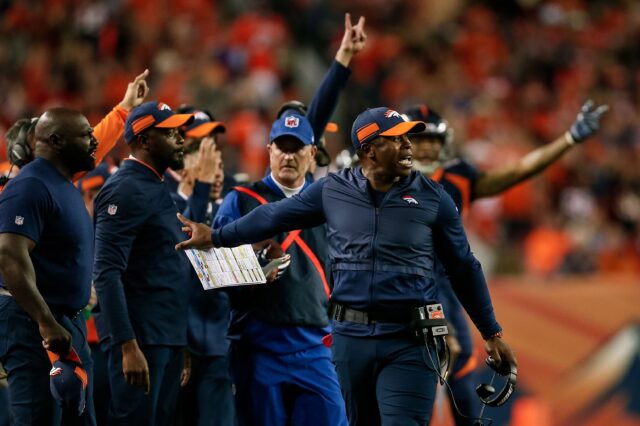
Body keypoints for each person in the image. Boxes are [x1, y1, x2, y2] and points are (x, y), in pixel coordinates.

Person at [175, 106, 517, 426]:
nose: (407, 145)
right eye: (396, 139)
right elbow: (272, 215)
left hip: (410, 339)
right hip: (349, 339)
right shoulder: (334, 191)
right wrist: (216, 236)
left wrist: (491, 332)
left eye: (407, 137)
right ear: (369, 150)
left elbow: (464, 266)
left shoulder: (433, 197)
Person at [403, 101, 608, 425]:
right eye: (419, 139)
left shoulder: (458, 177)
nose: (426, 147)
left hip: (444, 286)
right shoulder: (379, 177)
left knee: (462, 387)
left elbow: (518, 171)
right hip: (395, 285)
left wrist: (568, 139)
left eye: (432, 139)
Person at [92, 101, 194, 426]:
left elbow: (165, 268)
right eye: (170, 132)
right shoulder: (124, 189)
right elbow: (106, 273)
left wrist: (181, 340)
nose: (180, 137)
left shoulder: (157, 185)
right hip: (141, 343)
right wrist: (127, 345)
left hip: (165, 337)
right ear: (146, 140)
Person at [0, 108, 99, 425]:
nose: (94, 141)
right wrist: (45, 321)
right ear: (56, 141)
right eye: (86, 134)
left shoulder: (62, 185)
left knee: (79, 417)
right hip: (34, 326)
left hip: (66, 325)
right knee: (37, 417)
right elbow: (9, 255)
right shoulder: (30, 185)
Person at [1, 69, 150, 191]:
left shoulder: (58, 172)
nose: (50, 147)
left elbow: (96, 142)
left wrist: (125, 106)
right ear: (21, 153)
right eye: (39, 142)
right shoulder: (9, 189)